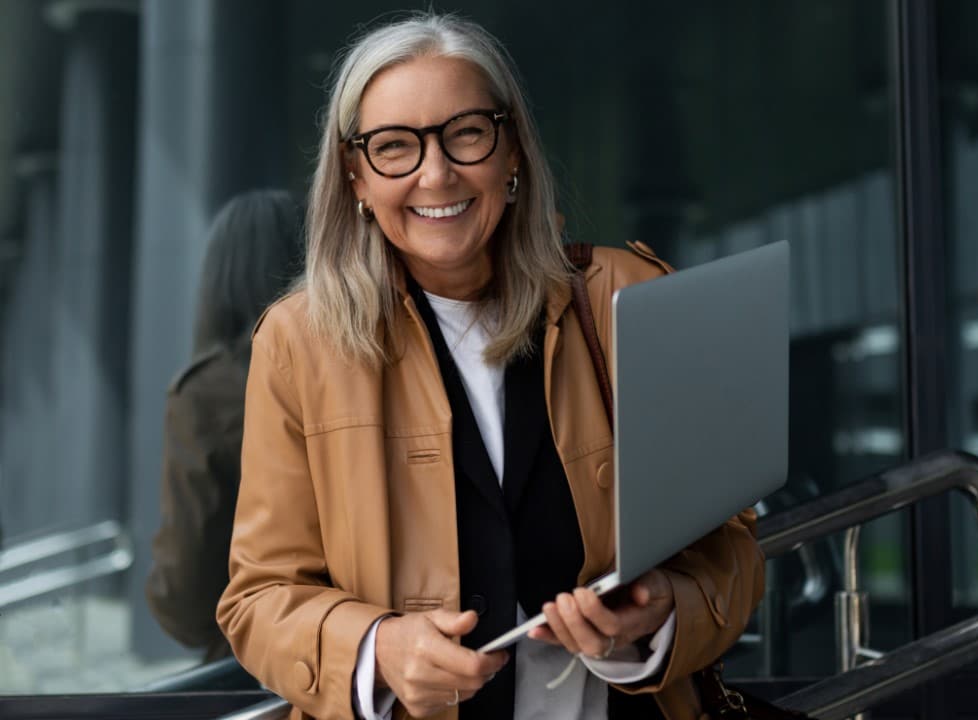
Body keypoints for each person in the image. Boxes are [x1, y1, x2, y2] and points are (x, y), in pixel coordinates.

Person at [216, 13, 763, 720]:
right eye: (393, 147)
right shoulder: (299, 344)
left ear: (512, 152)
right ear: (355, 175)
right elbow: (258, 599)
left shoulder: (628, 298)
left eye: (467, 133)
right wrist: (378, 647)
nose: (435, 172)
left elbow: (730, 550)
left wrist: (661, 614)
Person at [147, 189, 304, 661]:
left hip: (260, 668)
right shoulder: (365, 364)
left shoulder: (207, 394)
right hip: (374, 650)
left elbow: (187, 593)